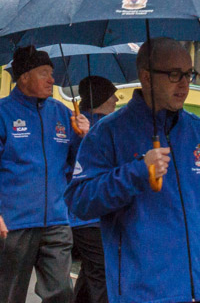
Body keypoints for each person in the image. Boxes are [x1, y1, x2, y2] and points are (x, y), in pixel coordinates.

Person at [65, 38, 200, 303]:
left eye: (189, 73)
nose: (184, 84)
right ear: (146, 77)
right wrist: (136, 172)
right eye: (174, 75)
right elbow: (79, 200)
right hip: (143, 293)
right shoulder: (108, 132)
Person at [0, 46, 89, 303]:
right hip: (14, 224)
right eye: (44, 73)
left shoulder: (62, 114)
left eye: (52, 73)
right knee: (9, 296)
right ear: (24, 77)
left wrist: (84, 137)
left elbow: (81, 163)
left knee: (62, 293)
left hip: (56, 220)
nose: (52, 80)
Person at [68, 76, 118, 303]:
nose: (116, 98)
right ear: (101, 98)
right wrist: (85, 137)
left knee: (90, 276)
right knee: (103, 276)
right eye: (111, 94)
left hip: (100, 216)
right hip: (88, 218)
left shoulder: (108, 124)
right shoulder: (80, 126)